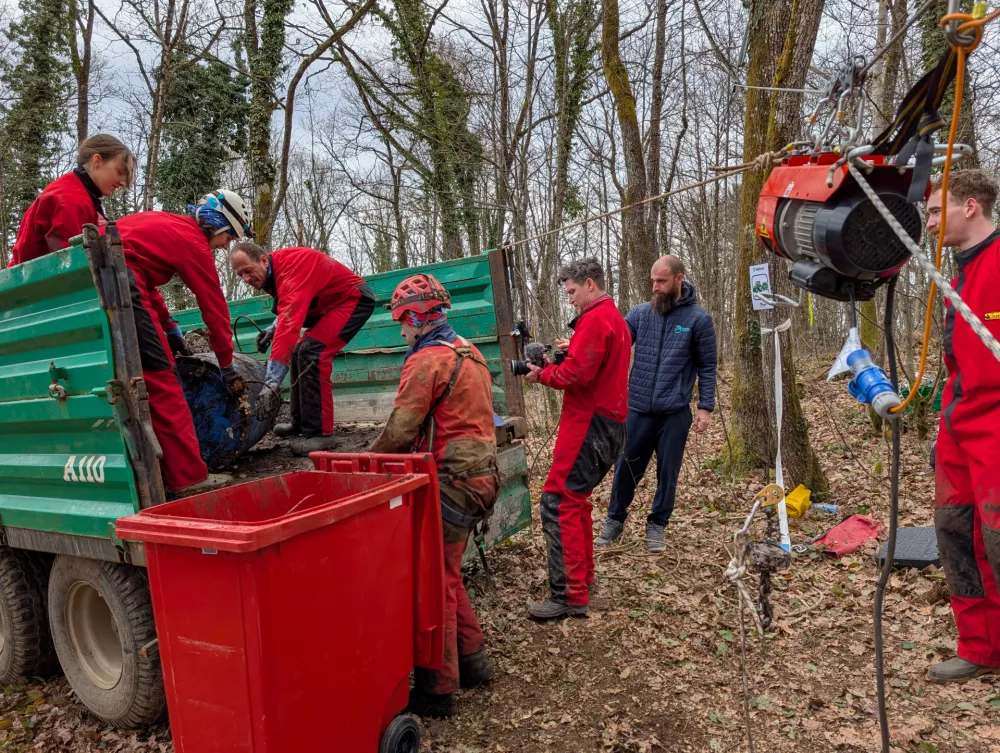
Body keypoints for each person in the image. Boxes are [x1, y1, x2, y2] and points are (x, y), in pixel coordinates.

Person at [368, 273, 498, 718]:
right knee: (449, 572)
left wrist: (368, 465)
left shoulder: (427, 361)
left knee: (434, 580)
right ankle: (474, 661)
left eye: (401, 324)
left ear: (415, 318)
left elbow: (400, 430)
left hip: (452, 482)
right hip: (481, 477)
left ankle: (438, 690)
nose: (402, 333)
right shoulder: (469, 351)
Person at [115, 190, 251, 493]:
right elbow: (214, 308)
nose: (226, 245)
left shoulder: (165, 223)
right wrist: (226, 364)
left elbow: (146, 281)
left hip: (107, 279)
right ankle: (189, 478)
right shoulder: (193, 242)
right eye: (228, 236)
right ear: (217, 222)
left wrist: (170, 327)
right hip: (121, 286)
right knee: (163, 384)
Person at [923, 169, 1000, 683]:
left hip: (996, 429)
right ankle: (980, 646)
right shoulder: (957, 277)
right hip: (958, 430)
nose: (929, 222)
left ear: (969, 206)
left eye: (936, 211)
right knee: (956, 534)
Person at [525, 258, 631, 620]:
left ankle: (568, 594)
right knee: (575, 499)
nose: (569, 299)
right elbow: (587, 366)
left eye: (572, 291)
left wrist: (543, 374)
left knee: (558, 502)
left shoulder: (597, 319)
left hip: (589, 423)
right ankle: (582, 579)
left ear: (589, 284)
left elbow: (576, 374)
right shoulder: (613, 319)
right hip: (609, 422)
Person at [595, 255, 717, 552]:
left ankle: (657, 525)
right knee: (626, 468)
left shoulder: (698, 319)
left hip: (674, 412)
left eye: (661, 281)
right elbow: (614, 344)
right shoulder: (639, 314)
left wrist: (705, 407)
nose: (655, 287)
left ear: (679, 278)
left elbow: (707, 365)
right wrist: (581, 345)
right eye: (653, 281)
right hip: (637, 409)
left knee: (668, 472)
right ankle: (614, 520)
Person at [230, 243, 376, 455]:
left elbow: (289, 325)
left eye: (248, 271)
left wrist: (271, 385)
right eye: (239, 275)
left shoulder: (291, 269)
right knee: (300, 351)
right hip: (328, 305)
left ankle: (321, 434)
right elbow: (290, 306)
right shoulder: (274, 272)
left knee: (312, 353)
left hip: (351, 300)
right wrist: (271, 329)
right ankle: (300, 422)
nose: (245, 279)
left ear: (262, 260)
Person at [11, 134, 135, 266]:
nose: (122, 183)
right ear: (97, 161)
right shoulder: (70, 200)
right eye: (120, 172)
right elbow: (69, 264)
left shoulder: (77, 193)